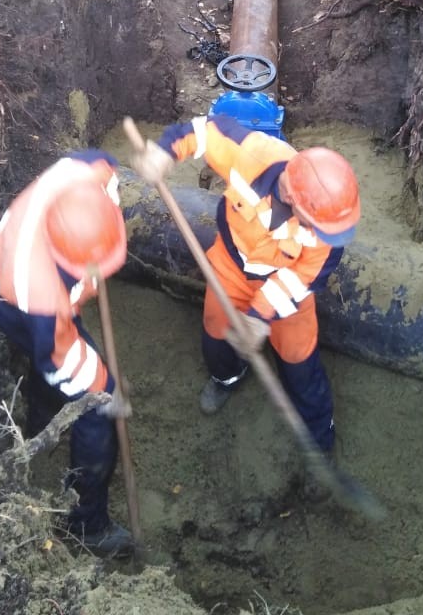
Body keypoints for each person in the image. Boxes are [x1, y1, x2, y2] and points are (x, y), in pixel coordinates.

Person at [131, 113, 360, 468]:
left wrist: (259, 316)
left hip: (286, 290)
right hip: (231, 266)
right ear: (295, 199)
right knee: (216, 334)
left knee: (301, 362)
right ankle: (227, 378)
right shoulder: (254, 155)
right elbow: (203, 132)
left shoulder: (328, 231)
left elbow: (301, 280)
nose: (326, 233)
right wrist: (165, 152)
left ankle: (319, 438)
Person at [0, 150, 134, 558]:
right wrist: (106, 391)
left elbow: (106, 166)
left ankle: (42, 422)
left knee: (70, 379)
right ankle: (87, 523)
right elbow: (65, 358)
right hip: (14, 304)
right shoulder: (41, 300)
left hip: (44, 273)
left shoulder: (82, 171)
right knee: (95, 405)